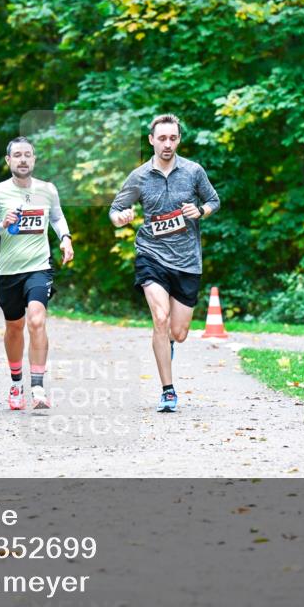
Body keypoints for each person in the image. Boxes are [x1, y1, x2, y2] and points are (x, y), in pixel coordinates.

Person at [109, 114, 220, 413]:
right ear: (151, 140)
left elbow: (214, 201)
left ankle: (167, 342)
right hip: (151, 254)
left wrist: (201, 211)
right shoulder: (140, 176)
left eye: (172, 138)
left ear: (179, 139)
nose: (167, 144)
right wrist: (119, 217)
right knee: (160, 317)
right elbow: (117, 207)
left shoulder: (194, 171)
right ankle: (168, 391)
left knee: (178, 333)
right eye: (162, 138)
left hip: (186, 261)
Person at [0, 136, 74, 411]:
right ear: (8, 161)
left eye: (27, 155)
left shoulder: (47, 190)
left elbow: (56, 217)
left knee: (36, 320)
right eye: (16, 155)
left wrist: (65, 237)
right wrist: (1, 225)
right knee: (14, 327)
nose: (22, 159)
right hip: (9, 271)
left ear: (34, 159)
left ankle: (39, 386)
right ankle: (16, 381)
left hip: (39, 267)